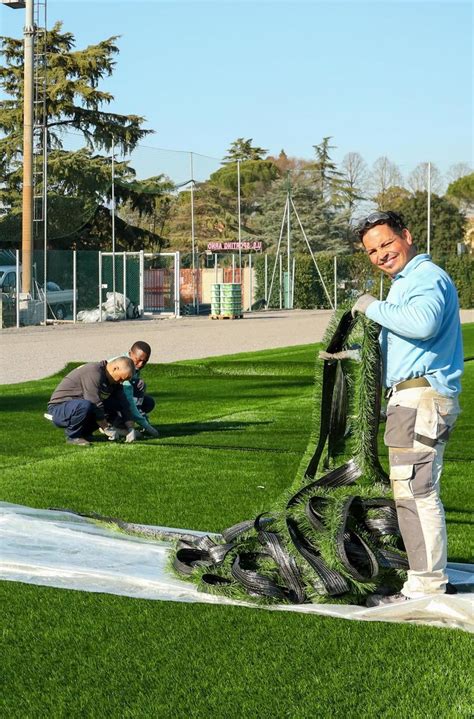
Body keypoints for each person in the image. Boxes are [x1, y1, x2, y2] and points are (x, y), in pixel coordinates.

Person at [351, 210, 463, 605]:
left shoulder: (424, 277)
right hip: (411, 399)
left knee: (416, 494)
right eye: (372, 250)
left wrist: (369, 306)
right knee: (415, 492)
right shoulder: (406, 282)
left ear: (407, 236)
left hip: (420, 399)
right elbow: (402, 344)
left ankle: (425, 586)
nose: (381, 254)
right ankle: (428, 578)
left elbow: (422, 324)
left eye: (386, 243)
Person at [47, 356, 136, 446]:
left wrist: (131, 428)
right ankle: (73, 437)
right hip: (58, 408)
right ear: (115, 368)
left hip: (79, 406)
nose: (121, 382)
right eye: (121, 378)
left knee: (113, 404)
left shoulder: (114, 382)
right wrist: (106, 428)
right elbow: (94, 401)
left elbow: (123, 403)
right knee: (86, 405)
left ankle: (85, 434)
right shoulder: (94, 372)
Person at [108, 341, 159, 439]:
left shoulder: (131, 363)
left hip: (115, 396)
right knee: (129, 402)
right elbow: (129, 402)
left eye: (144, 362)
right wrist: (147, 426)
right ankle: (112, 424)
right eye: (138, 360)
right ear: (130, 353)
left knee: (148, 402)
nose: (140, 364)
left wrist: (138, 382)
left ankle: (122, 423)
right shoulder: (124, 367)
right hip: (105, 400)